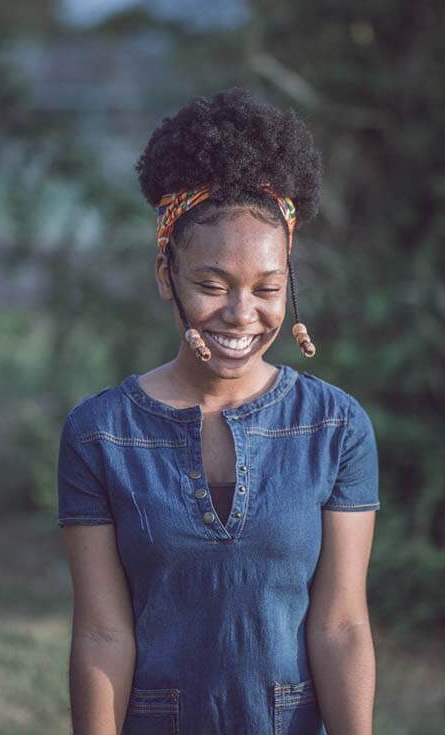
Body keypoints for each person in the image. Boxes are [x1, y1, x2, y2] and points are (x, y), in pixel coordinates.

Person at [57, 87, 380, 735]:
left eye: (267, 288)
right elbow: (101, 630)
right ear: (164, 274)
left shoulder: (336, 428)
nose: (241, 315)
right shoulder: (100, 434)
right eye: (211, 285)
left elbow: (340, 624)